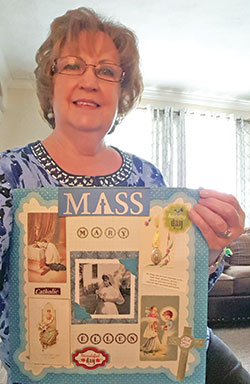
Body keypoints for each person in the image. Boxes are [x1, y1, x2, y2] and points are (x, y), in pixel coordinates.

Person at [0, 7, 248, 383]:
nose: (90, 80)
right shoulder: (10, 173)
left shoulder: (149, 176)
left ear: (122, 90)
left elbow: (174, 286)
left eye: (106, 70)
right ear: (50, 83)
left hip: (145, 366)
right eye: (72, 65)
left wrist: (211, 251)